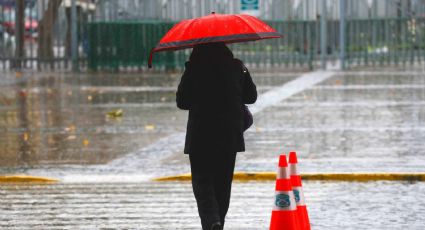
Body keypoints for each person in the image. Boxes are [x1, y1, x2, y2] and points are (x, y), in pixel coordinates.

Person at [176, 42, 257, 230]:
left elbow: (182, 101)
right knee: (222, 185)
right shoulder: (237, 67)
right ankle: (218, 221)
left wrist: (190, 71)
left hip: (200, 136)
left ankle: (212, 222)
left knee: (203, 183)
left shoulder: (194, 69)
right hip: (229, 137)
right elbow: (251, 97)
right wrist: (242, 72)